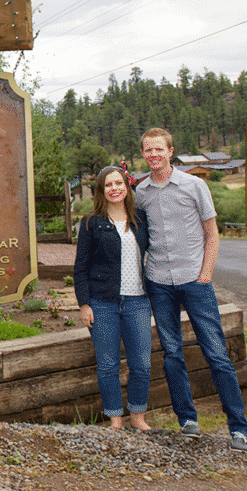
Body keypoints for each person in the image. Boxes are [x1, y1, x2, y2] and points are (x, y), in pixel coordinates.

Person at [136, 128, 247, 452]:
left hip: (194, 281)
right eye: (148, 150)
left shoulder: (194, 185)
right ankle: (187, 419)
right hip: (159, 282)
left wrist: (205, 275)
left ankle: (238, 427)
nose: (154, 154)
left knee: (216, 353)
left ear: (171, 151)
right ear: (143, 154)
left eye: (159, 149)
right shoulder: (142, 192)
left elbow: (212, 234)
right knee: (172, 353)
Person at [73, 165, 152, 431]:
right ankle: (115, 420)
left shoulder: (140, 219)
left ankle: (138, 417)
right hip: (103, 303)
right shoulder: (91, 223)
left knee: (141, 364)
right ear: (101, 190)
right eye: (108, 185)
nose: (114, 188)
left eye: (119, 183)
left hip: (138, 301)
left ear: (127, 187)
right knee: (108, 365)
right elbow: (80, 267)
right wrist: (84, 304)